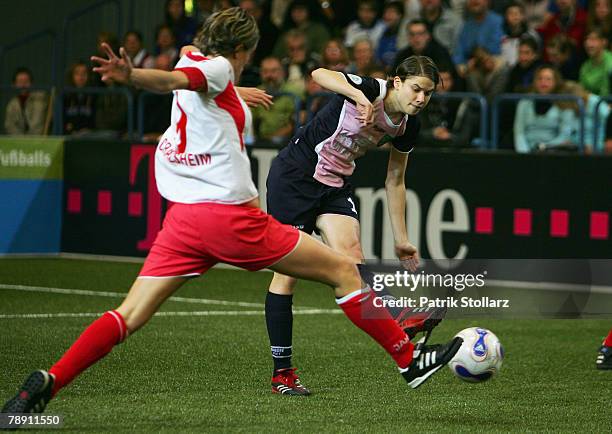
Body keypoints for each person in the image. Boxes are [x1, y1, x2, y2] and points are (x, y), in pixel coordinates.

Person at [1, 8, 462, 419]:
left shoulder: (193, 60)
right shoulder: (218, 69)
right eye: (247, 55)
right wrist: (136, 78)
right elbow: (180, 79)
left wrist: (214, 84)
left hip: (183, 224)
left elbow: (185, 78)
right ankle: (408, 360)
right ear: (240, 51)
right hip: (234, 220)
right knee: (344, 270)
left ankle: (48, 380)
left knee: (128, 315)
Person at [263, 55, 449, 396]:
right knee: (286, 275)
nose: (422, 99)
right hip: (295, 177)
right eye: (416, 89)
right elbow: (318, 73)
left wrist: (402, 239)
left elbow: (395, 179)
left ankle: (398, 318)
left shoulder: (409, 125)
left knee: (352, 258)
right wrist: (360, 97)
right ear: (397, 82)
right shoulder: (369, 89)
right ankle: (283, 373)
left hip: (334, 183)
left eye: (428, 93)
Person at [513, 65, 577, 153]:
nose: (543, 82)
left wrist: (545, 148)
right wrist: (524, 154)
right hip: (526, 151)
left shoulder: (564, 102)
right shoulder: (525, 101)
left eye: (548, 79)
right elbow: (519, 132)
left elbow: (565, 135)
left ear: (556, 82)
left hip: (553, 151)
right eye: (540, 79)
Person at [4, 67, 48, 135]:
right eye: (20, 82)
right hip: (18, 143)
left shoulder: (40, 99)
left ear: (31, 83)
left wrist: (30, 141)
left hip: (38, 141)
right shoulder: (12, 104)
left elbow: (38, 125)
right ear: (14, 85)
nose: (23, 85)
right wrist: (22, 141)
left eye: (26, 81)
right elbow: (10, 126)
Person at [63, 62, 96, 135]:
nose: (81, 77)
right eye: (77, 73)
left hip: (89, 136)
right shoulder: (65, 96)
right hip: (69, 135)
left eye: (84, 73)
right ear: (72, 76)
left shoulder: (94, 95)